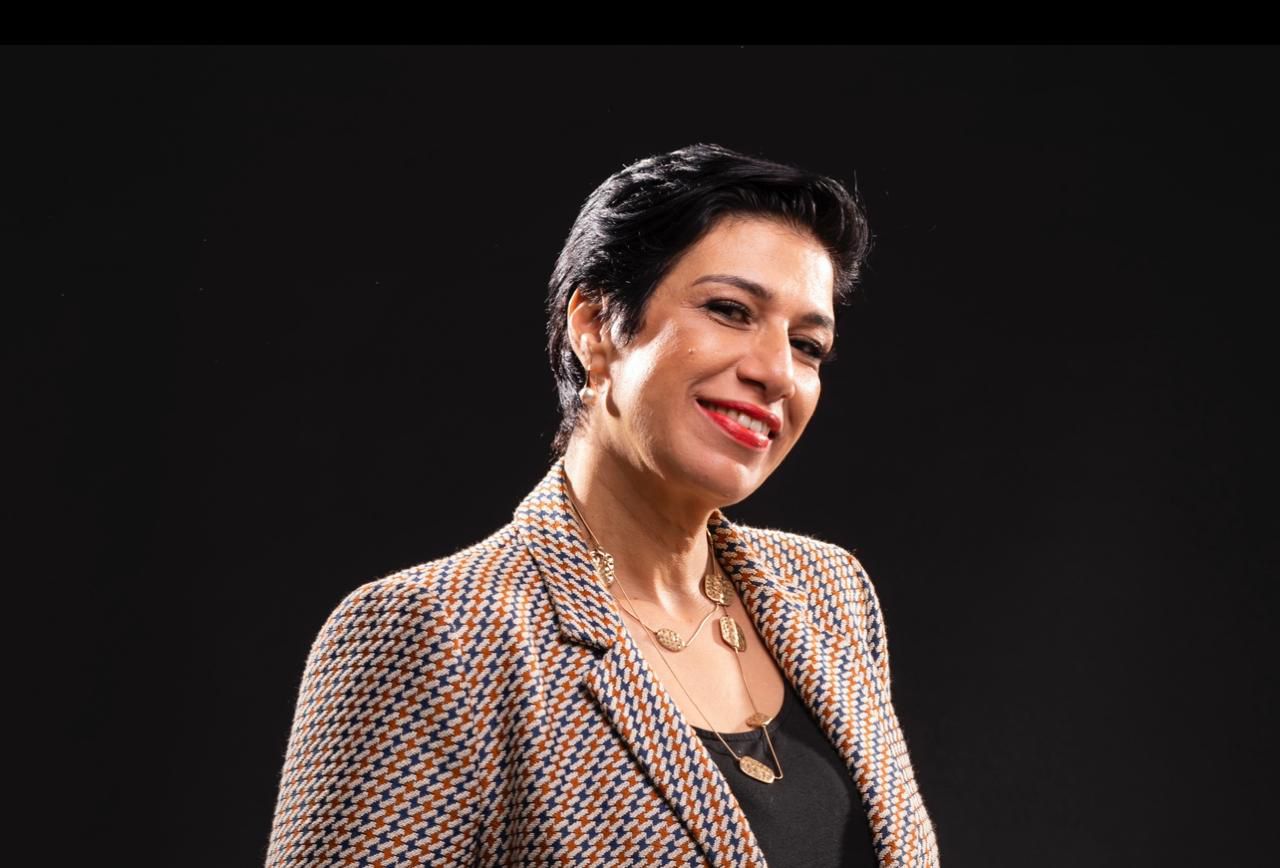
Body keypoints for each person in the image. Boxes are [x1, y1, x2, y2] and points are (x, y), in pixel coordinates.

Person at [266, 143, 939, 867]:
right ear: (594, 326)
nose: (777, 372)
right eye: (729, 310)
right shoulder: (437, 637)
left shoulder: (830, 595)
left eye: (807, 344)